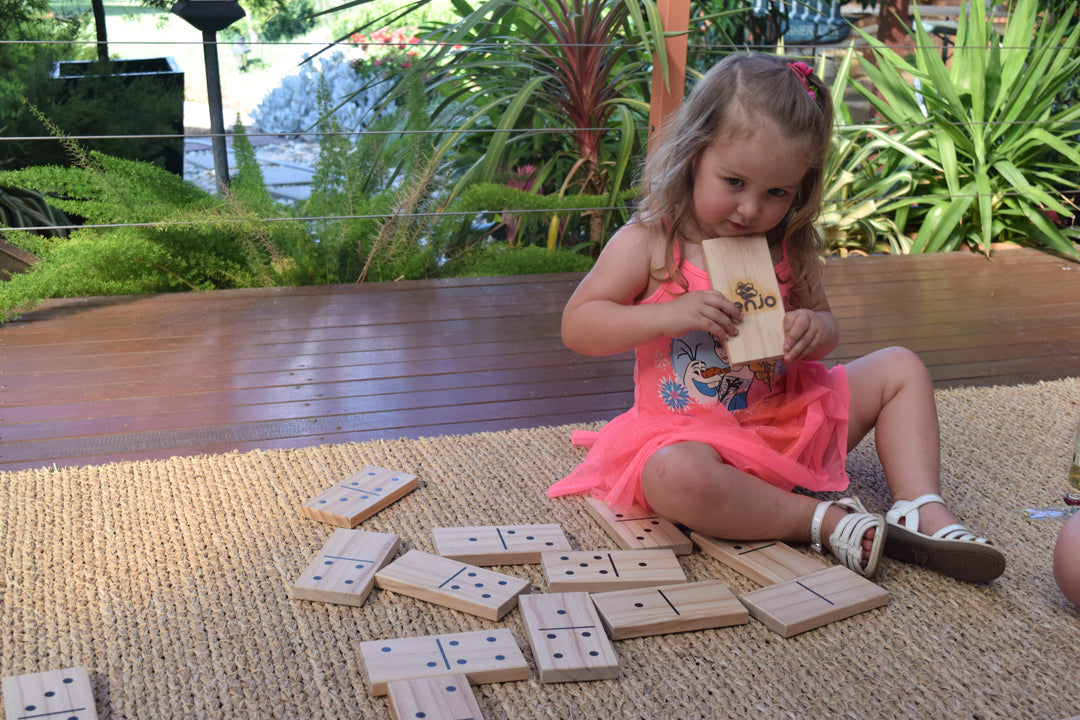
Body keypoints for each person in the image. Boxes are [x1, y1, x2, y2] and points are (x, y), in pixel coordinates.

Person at [548, 52, 1006, 583]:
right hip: (694, 440)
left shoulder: (784, 245)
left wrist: (814, 329)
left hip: (788, 423)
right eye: (734, 182)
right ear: (694, 155)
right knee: (671, 477)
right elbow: (578, 325)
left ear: (800, 188)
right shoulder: (650, 244)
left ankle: (920, 506)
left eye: (777, 193)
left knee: (901, 367)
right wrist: (668, 315)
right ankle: (821, 520)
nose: (750, 210)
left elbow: (826, 325)